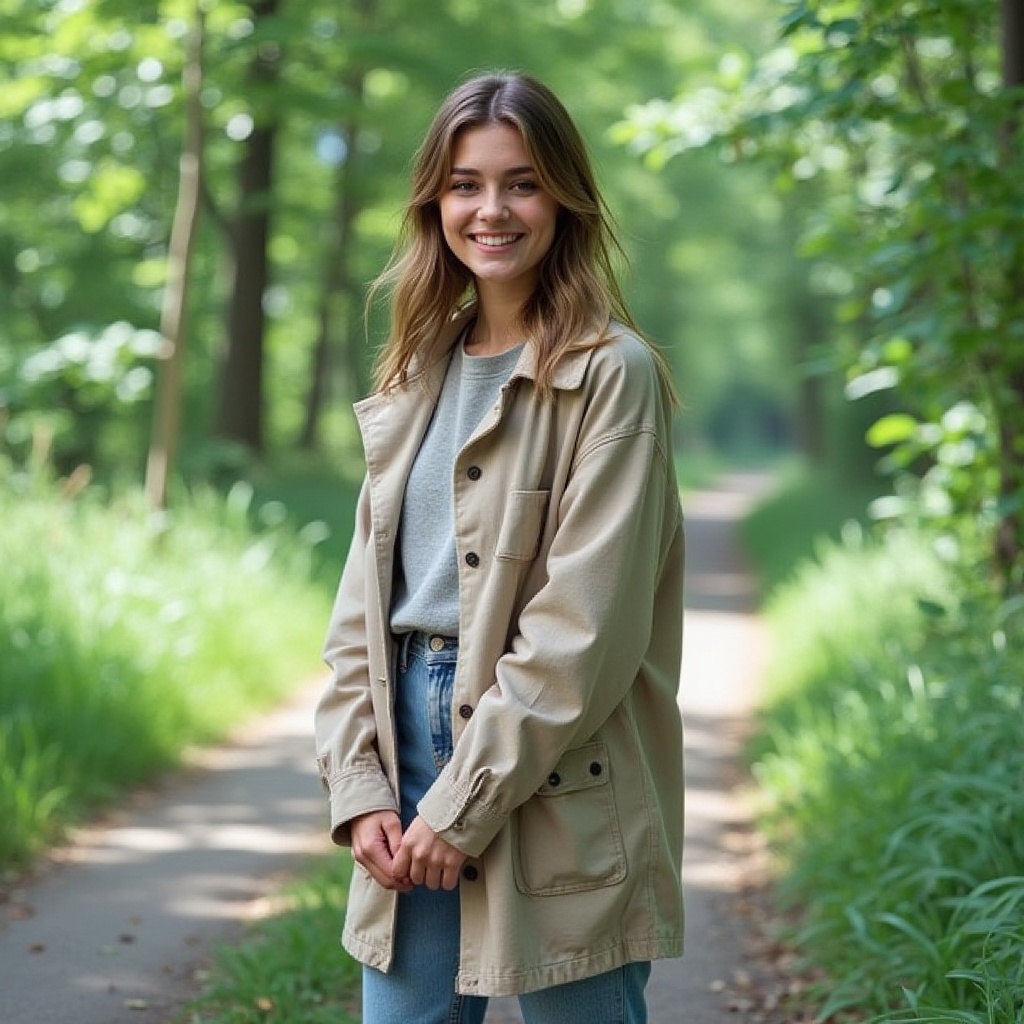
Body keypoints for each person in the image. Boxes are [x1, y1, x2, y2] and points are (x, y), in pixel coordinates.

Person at [314, 70, 685, 1024]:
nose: (492, 209)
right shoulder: (416, 370)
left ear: (563, 196)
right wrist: (360, 784)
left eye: (520, 182)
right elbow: (362, 605)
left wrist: (465, 797)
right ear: (435, 200)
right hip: (406, 745)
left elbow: (585, 632)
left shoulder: (612, 376)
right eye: (465, 184)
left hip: (556, 757)